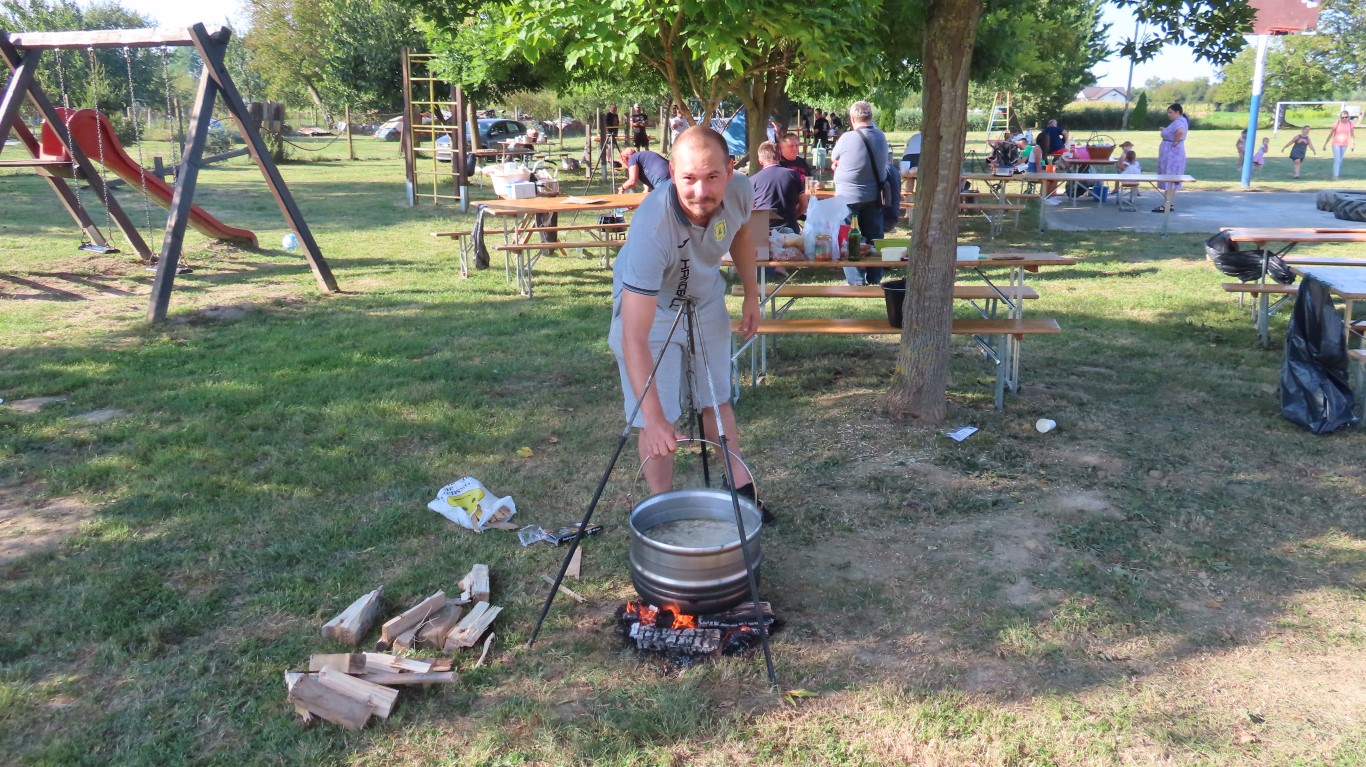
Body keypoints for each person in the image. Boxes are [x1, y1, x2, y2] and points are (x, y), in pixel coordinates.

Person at [609, 126, 768, 517]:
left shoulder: (741, 190)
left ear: (729, 171)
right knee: (658, 413)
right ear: (672, 174)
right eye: (689, 178)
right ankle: (662, 506)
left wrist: (751, 294)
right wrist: (654, 420)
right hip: (654, 309)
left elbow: (741, 233)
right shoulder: (652, 227)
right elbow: (634, 337)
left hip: (705, 298)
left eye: (712, 176)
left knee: (716, 397)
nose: (701, 191)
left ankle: (740, 490)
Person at [831, 100, 889, 286]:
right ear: (871, 116)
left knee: (849, 239)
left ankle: (855, 280)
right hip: (874, 195)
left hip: (848, 196)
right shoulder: (881, 137)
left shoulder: (847, 137)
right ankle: (875, 277)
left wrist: (838, 164)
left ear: (852, 118)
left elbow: (834, 157)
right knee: (874, 238)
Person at [751, 140, 808, 231]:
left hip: (763, 232)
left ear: (760, 161)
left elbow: (752, 210)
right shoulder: (793, 175)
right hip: (790, 230)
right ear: (779, 156)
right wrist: (793, 216)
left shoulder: (752, 181)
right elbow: (804, 204)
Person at [1154, 103, 1188, 213]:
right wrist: (1165, 130)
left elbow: (1180, 131)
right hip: (1172, 152)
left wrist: (1174, 142)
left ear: (1177, 112)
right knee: (1172, 178)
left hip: (1172, 154)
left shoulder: (1179, 122)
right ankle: (1170, 203)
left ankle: (1166, 205)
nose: (1168, 115)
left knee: (1170, 177)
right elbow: (1174, 131)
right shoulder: (1180, 121)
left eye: (1170, 112)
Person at [1323, 111, 1356, 180]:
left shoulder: (1350, 123)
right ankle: (1335, 176)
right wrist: (1325, 144)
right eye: (1342, 117)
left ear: (1348, 117)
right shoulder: (1337, 123)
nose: (1344, 119)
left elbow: (1352, 135)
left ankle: (1337, 173)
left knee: (1340, 160)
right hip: (1336, 144)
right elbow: (1331, 134)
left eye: (1346, 117)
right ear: (1340, 117)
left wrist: (1353, 144)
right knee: (1337, 160)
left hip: (1344, 144)